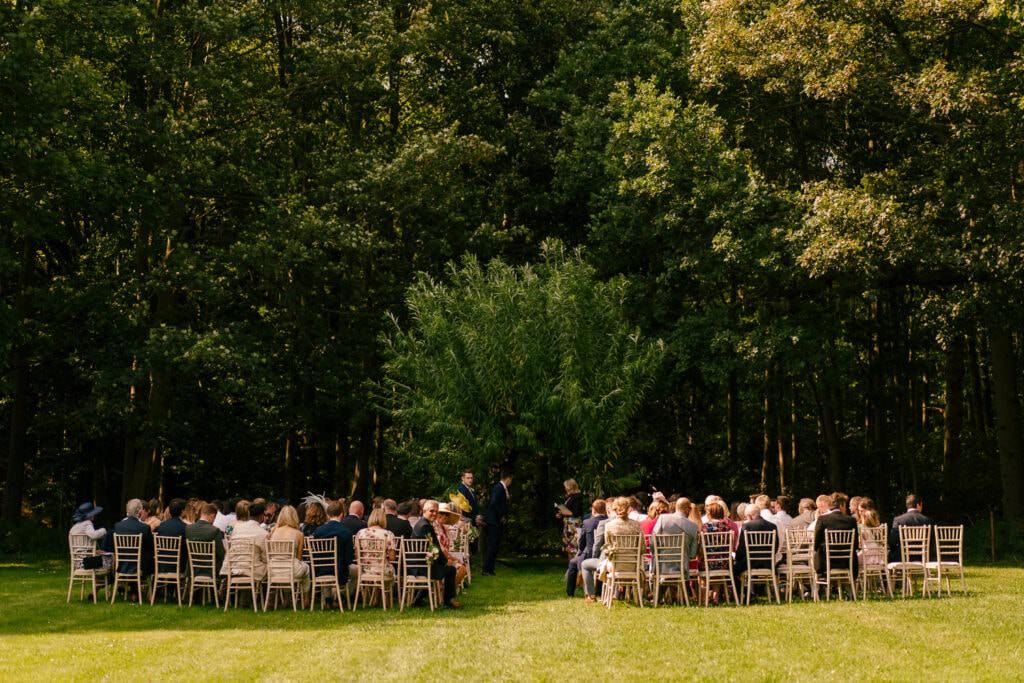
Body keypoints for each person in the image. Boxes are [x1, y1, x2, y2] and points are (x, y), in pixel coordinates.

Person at [412, 500, 461, 608]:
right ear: (424, 511)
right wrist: (445, 562)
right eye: (431, 511)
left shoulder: (423, 523)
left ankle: (418, 599)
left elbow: (434, 548)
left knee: (445, 568)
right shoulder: (425, 526)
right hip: (423, 566)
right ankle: (448, 601)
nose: (434, 513)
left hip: (420, 564)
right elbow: (435, 548)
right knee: (450, 570)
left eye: (436, 511)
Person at [104, 498, 155, 580]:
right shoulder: (144, 527)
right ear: (140, 511)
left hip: (121, 565)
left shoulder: (118, 526)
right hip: (139, 566)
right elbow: (151, 547)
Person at [312, 500, 355, 594]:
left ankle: (328, 598)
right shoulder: (346, 532)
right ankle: (343, 595)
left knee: (327, 564)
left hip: (320, 570)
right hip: (339, 572)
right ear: (341, 514)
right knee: (356, 571)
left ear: (328, 514)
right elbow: (349, 559)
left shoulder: (318, 531)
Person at [565, 499, 606, 597]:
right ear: (605, 510)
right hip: (604, 555)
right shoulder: (608, 521)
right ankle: (599, 590)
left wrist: (580, 552)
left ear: (593, 510)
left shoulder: (588, 522)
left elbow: (581, 542)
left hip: (589, 555)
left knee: (572, 563)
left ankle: (570, 593)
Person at [652, 497, 700, 579]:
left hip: (661, 566)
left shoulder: (663, 519)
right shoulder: (694, 527)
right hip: (682, 568)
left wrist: (656, 554)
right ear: (686, 509)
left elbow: (653, 542)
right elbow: (692, 554)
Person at [812, 492, 858, 579]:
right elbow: (855, 545)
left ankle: (822, 582)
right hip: (846, 561)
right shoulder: (851, 520)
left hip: (826, 562)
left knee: (818, 552)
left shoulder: (822, 519)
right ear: (841, 505)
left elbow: (816, 542)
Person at [269, 505, 310, 596]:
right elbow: (299, 558)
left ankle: (286, 599)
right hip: (291, 570)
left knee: (286, 567)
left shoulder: (273, 531)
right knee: (306, 567)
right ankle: (306, 596)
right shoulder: (299, 534)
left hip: (273, 569)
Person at [733, 504, 779, 585]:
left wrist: (737, 558)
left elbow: (742, 548)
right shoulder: (772, 526)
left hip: (750, 562)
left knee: (731, 571)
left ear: (749, 516)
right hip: (768, 562)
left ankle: (743, 592)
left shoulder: (747, 526)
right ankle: (756, 591)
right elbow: (776, 546)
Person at [222, 500, 268, 581]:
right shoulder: (261, 532)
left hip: (233, 566)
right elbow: (265, 557)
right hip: (252, 569)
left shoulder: (234, 527)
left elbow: (228, 543)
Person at [483, 469, 512, 575]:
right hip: (494, 520)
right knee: (492, 545)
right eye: (511, 480)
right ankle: (486, 569)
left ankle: (490, 568)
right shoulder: (499, 487)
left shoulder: (501, 488)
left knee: (495, 545)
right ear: (508, 478)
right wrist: (501, 516)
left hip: (496, 520)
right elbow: (494, 503)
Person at [888, 493, 934, 562]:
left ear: (907, 506)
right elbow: (932, 541)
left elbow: (892, 541)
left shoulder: (898, 520)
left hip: (903, 557)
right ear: (918, 505)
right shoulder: (927, 520)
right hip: (923, 556)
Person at [185, 502, 225, 575]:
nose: (213, 521)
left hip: (193, 568)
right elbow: (221, 553)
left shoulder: (188, 528)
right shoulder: (215, 530)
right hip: (210, 569)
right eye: (214, 518)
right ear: (212, 516)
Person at [155, 498, 189, 573]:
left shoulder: (160, 527)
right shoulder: (185, 528)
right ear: (183, 511)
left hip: (161, 565)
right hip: (179, 567)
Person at [557, 479, 586, 557]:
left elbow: (576, 512)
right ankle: (571, 565)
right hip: (568, 523)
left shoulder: (577, 497)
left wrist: (565, 512)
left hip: (574, 524)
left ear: (570, 487)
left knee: (574, 544)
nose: (565, 488)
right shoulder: (569, 497)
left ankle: (575, 564)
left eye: (566, 487)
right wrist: (561, 514)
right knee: (568, 544)